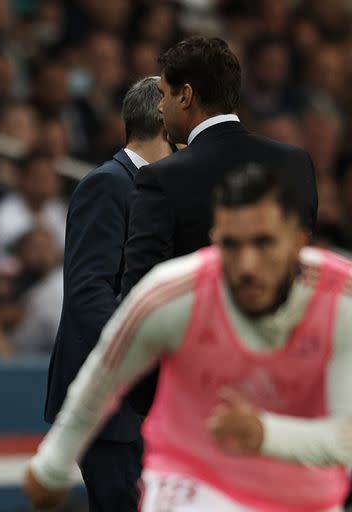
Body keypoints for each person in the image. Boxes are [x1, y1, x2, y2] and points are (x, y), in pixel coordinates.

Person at [26, 163, 351, 511]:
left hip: (304, 494)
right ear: (214, 239)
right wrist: (52, 465)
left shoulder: (342, 301)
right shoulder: (171, 294)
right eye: (231, 245)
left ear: (298, 239)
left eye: (264, 242)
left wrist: (262, 434)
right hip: (190, 480)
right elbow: (103, 380)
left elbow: (346, 438)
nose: (246, 265)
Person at [120, 36, 318, 417]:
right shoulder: (295, 163)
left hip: (193, 395)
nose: (160, 107)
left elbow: (142, 296)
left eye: (164, 94)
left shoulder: (161, 178)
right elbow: (302, 271)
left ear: (186, 95)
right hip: (284, 385)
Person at [45, 76, 172, 511]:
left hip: (139, 404)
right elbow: (89, 295)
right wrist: (151, 349)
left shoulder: (157, 190)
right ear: (163, 116)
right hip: (111, 405)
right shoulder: (107, 184)